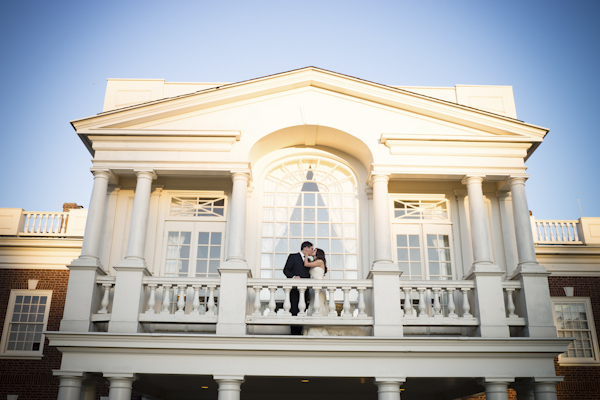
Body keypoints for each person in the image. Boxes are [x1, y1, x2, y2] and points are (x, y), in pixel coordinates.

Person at [283, 241, 313, 335]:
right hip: (295, 290)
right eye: (311, 249)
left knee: (303, 310)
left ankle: (301, 331)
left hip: (306, 290)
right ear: (306, 248)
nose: (312, 251)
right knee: (294, 309)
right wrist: (293, 277)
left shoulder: (309, 260)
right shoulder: (293, 256)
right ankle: (294, 333)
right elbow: (286, 270)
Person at [304, 248, 329, 317]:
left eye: (314, 250)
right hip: (312, 286)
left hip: (319, 285)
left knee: (319, 302)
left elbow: (306, 264)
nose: (312, 251)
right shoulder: (314, 262)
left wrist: (306, 255)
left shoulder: (320, 261)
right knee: (313, 302)